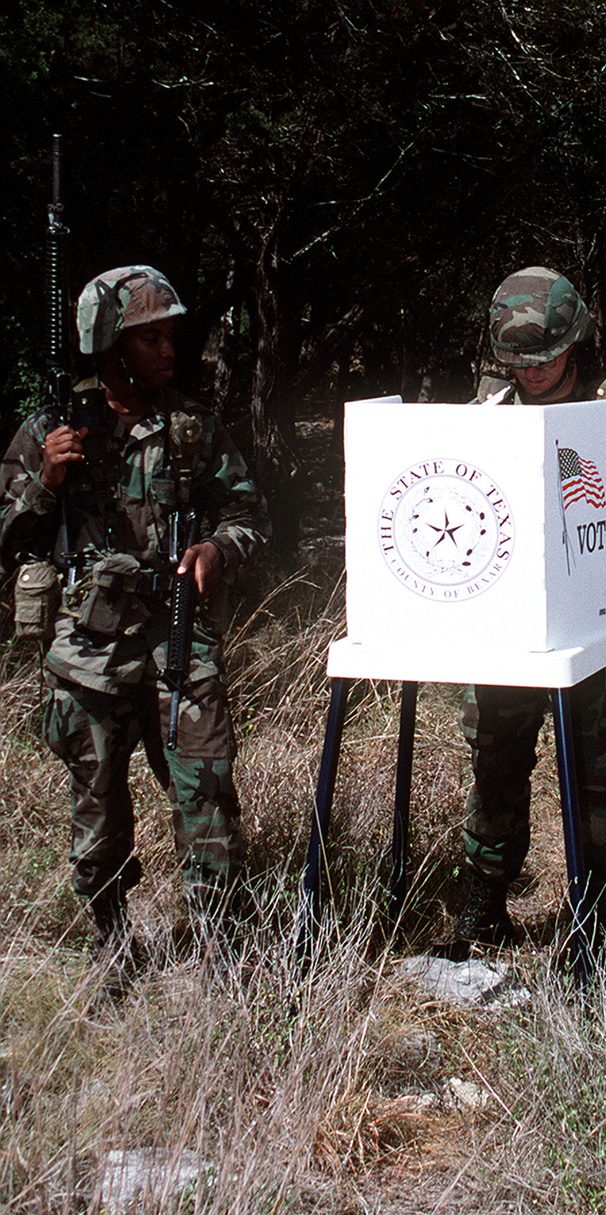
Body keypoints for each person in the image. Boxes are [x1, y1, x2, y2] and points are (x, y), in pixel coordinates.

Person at [0, 266, 270, 989]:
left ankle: (222, 952)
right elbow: (8, 531)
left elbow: (249, 518)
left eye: (169, 334)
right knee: (98, 806)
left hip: (179, 640)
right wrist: (45, 481)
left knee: (207, 792)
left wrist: (217, 548)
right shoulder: (53, 429)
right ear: (111, 346)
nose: (166, 349)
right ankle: (112, 940)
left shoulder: (191, 427)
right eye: (148, 337)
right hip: (89, 650)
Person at [457, 267, 606, 946]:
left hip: (595, 629)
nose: (532, 373)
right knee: (495, 762)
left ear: (577, 343)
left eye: (546, 357)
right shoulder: (489, 411)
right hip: (510, 630)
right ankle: (484, 899)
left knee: (602, 775)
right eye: (518, 361)